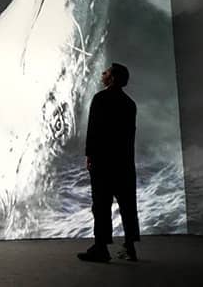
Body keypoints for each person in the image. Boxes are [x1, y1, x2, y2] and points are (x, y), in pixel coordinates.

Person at [77, 63, 139, 263]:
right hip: (124, 163)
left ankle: (101, 248)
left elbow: (94, 130)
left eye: (106, 72)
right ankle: (129, 247)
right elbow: (129, 136)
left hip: (103, 162)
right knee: (128, 206)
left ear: (111, 78)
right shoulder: (130, 104)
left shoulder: (100, 98)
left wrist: (90, 155)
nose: (102, 74)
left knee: (101, 206)